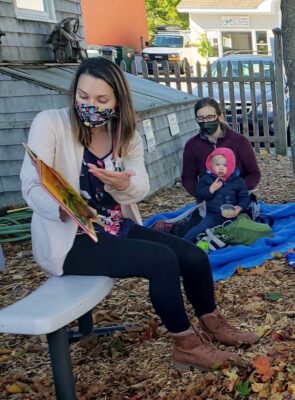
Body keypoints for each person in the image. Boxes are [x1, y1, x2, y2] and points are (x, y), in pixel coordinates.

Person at [20, 57, 259, 371]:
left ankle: (214, 326)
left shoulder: (125, 134)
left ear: (118, 101)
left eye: (102, 99)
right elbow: (31, 184)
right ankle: (185, 345)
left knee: (193, 256)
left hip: (115, 228)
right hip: (70, 240)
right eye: (83, 96)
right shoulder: (51, 123)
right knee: (161, 261)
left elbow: (140, 185)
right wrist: (63, 208)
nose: (91, 105)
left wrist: (122, 186)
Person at [180, 97, 261, 234]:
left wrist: (237, 189)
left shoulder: (239, 141)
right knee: (192, 235)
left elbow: (254, 174)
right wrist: (202, 194)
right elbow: (188, 178)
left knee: (242, 235)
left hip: (237, 201)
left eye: (210, 117)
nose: (205, 122)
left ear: (220, 116)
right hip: (208, 203)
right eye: (200, 118)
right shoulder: (192, 145)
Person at [184, 147, 251, 242]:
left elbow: (245, 198)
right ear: (211, 165)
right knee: (198, 229)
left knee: (238, 233)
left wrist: (239, 208)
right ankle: (184, 242)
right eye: (217, 164)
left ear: (231, 166)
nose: (221, 168)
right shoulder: (206, 179)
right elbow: (199, 194)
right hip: (212, 214)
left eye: (225, 165)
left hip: (232, 215)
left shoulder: (238, 181)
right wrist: (211, 189)